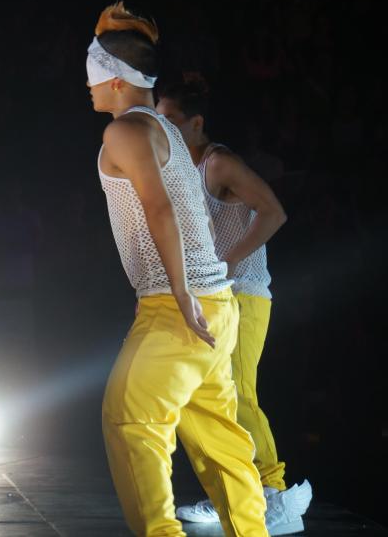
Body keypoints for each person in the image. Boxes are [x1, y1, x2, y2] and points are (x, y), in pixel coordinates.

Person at [88, 2, 268, 536]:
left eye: (91, 73)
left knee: (130, 420)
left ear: (116, 79)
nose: (86, 84)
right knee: (218, 439)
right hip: (215, 304)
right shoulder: (164, 128)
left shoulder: (125, 132)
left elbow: (160, 209)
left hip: (180, 306)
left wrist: (181, 293)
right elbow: (186, 213)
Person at [157, 76, 312, 534]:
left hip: (244, 293)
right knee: (208, 401)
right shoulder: (176, 169)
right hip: (213, 297)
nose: (162, 129)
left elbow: (274, 212)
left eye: (170, 120)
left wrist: (227, 260)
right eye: (158, 121)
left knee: (239, 393)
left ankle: (275, 494)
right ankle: (231, 491)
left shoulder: (219, 163)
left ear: (196, 123)